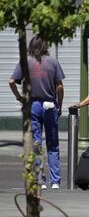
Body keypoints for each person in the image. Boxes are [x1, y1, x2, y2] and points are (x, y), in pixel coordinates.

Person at [9, 35, 65, 190]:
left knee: (36, 143)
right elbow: (60, 87)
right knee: (53, 145)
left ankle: (40, 179)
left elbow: (11, 81)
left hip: (33, 105)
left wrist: (19, 97)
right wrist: (59, 105)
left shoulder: (25, 62)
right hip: (50, 105)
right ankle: (55, 181)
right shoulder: (53, 62)